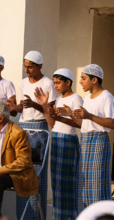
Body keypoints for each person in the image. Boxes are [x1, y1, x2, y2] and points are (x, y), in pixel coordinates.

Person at [6, 50, 57, 219]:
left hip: (40, 129)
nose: (27, 70)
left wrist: (35, 105)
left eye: (30, 67)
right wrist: (14, 108)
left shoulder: (48, 83)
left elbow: (49, 112)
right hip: (23, 128)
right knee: (21, 170)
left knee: (36, 173)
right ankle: (22, 215)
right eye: (25, 67)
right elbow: (23, 107)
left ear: (40, 66)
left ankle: (36, 216)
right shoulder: (22, 83)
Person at [58, 64, 114, 215]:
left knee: (96, 187)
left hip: (99, 142)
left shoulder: (106, 96)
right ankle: (86, 216)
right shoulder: (87, 97)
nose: (80, 82)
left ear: (94, 79)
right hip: (85, 141)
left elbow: (111, 122)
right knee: (83, 186)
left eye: (83, 78)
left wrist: (89, 116)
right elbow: (86, 123)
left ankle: (101, 216)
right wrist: (70, 114)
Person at [34, 68, 83, 220]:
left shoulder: (76, 99)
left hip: (68, 142)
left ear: (68, 82)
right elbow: (52, 124)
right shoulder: (59, 100)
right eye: (54, 83)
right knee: (56, 183)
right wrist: (44, 105)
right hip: (56, 139)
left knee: (67, 183)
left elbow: (80, 123)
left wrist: (64, 116)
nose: (55, 86)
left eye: (58, 83)